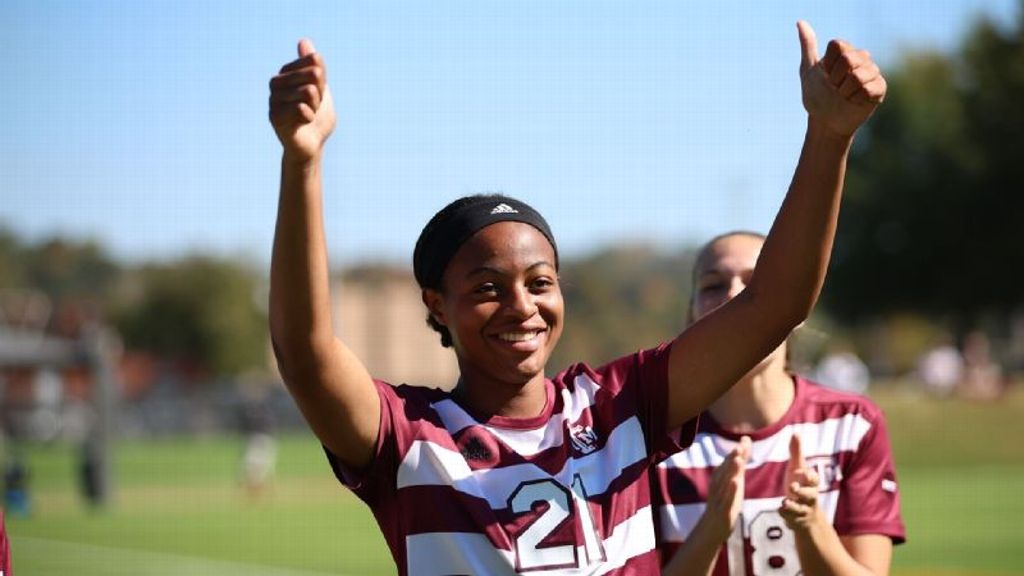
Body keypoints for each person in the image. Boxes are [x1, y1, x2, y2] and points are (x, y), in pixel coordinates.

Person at [268, 20, 886, 575]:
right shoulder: (408, 439)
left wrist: (829, 138)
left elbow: (774, 305)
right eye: (487, 288)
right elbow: (305, 351)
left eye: (540, 283)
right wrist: (303, 163)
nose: (521, 306)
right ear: (436, 305)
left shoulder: (621, 408)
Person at [654, 232, 905, 576]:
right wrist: (711, 530)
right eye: (713, 285)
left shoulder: (852, 424)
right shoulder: (653, 439)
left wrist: (811, 524)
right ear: (692, 312)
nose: (733, 296)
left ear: (795, 307)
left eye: (755, 283)